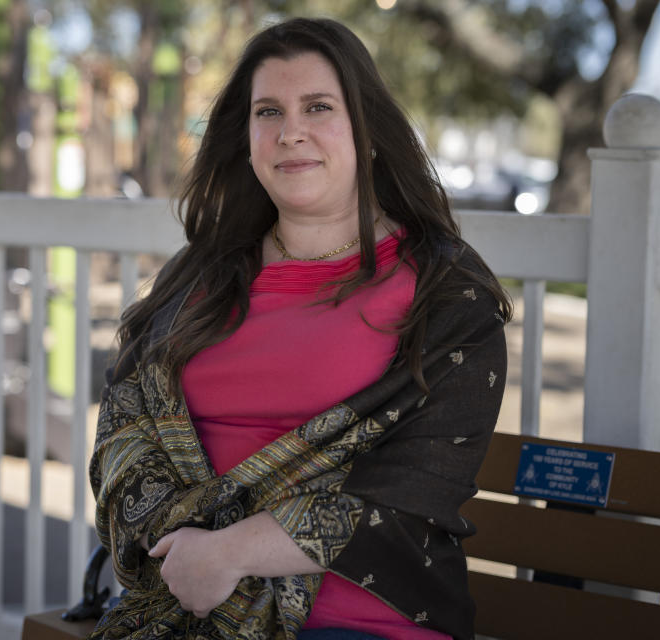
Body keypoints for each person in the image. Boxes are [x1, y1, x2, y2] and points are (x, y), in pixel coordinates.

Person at [89, 17, 511, 640]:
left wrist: (230, 552)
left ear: (367, 132)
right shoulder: (200, 275)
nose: (291, 133)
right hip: (183, 597)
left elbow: (416, 488)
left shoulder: (444, 294)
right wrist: (188, 552)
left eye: (318, 106)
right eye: (268, 112)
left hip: (360, 619)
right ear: (246, 137)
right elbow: (124, 430)